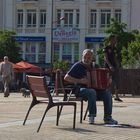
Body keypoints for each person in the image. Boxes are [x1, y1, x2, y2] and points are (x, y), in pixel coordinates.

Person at [64, 49, 118, 125]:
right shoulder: (77, 65)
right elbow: (66, 77)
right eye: (85, 57)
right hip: (80, 90)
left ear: (92, 58)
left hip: (95, 91)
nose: (87, 59)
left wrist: (108, 81)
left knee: (107, 94)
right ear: (82, 56)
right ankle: (91, 116)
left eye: (89, 57)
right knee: (92, 92)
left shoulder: (95, 66)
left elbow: (103, 79)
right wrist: (81, 81)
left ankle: (108, 118)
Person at [103, 35, 123, 102]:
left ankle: (116, 96)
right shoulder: (106, 48)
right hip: (108, 67)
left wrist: (118, 64)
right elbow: (105, 58)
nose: (116, 41)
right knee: (108, 81)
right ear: (111, 39)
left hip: (115, 67)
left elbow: (115, 57)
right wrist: (110, 66)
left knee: (117, 81)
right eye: (114, 39)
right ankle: (107, 95)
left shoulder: (115, 48)